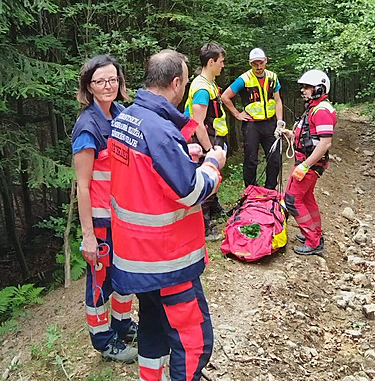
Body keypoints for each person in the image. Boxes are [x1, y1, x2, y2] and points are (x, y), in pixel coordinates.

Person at [108, 49, 226, 381]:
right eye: (186, 82)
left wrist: (179, 154)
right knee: (194, 342)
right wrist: (213, 165)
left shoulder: (126, 118)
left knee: (153, 329)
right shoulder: (159, 130)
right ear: (176, 83)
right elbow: (191, 191)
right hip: (167, 261)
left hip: (135, 258)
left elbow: (144, 176)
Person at [71, 55, 138, 362]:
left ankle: (123, 324)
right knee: (100, 281)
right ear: (89, 87)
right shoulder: (87, 127)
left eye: (112, 79)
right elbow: (82, 186)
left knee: (125, 275)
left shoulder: (122, 114)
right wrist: (87, 236)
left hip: (123, 216)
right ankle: (102, 340)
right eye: (100, 81)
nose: (108, 86)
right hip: (100, 221)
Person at [281, 69, 336, 255]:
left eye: (307, 87)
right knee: (306, 198)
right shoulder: (315, 108)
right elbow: (309, 135)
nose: (303, 90)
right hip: (307, 162)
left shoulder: (321, 111)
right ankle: (315, 233)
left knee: (292, 200)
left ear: (319, 88)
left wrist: (305, 166)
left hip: (310, 164)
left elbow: (325, 142)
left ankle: (313, 241)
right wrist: (290, 134)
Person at [221, 47, 284, 190]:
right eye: (255, 64)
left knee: (275, 158)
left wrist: (280, 122)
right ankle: (250, 191)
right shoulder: (244, 79)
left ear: (266, 61)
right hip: (252, 125)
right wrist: (237, 114)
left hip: (270, 123)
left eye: (261, 63)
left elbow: (278, 100)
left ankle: (270, 189)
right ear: (250, 64)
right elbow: (225, 96)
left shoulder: (272, 78)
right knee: (251, 159)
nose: (259, 67)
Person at [184, 42, 229, 241]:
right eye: (221, 61)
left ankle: (215, 207)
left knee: (215, 175)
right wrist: (210, 150)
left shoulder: (209, 83)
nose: (223, 65)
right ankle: (203, 226)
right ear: (211, 62)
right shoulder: (202, 88)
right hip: (204, 139)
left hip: (214, 135)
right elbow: (198, 124)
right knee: (206, 177)